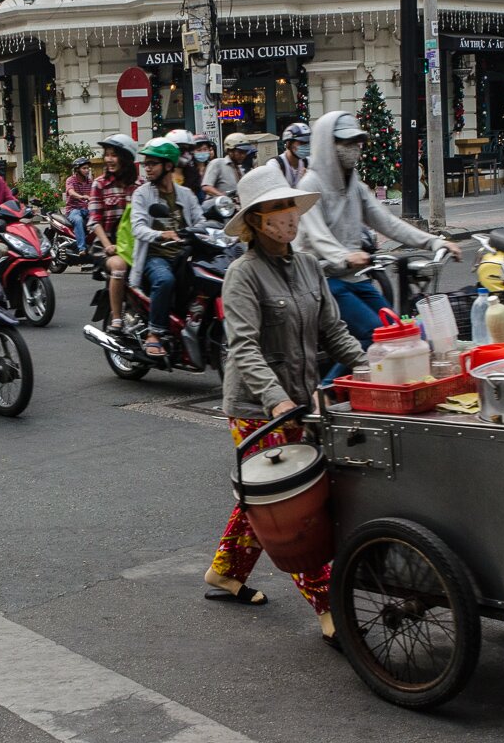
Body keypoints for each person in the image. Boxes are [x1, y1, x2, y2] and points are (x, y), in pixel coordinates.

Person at [204, 165, 366, 646]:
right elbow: (244, 347)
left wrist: (370, 367)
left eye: (289, 206)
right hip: (257, 406)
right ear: (255, 220)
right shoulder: (242, 275)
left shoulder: (310, 266)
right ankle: (327, 605)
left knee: (263, 498)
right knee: (294, 505)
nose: (287, 217)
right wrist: (275, 400)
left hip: (302, 399)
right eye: (275, 209)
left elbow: (332, 330)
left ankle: (224, 573)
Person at [295, 111, 460, 349]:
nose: (354, 149)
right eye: (346, 143)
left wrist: (435, 242)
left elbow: (388, 222)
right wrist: (344, 256)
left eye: (356, 143)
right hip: (323, 279)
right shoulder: (309, 185)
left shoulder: (356, 186)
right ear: (328, 145)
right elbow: (318, 235)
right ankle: (328, 385)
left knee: (399, 331)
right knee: (377, 338)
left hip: (356, 277)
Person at [129, 138, 203, 357]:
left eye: (153, 163)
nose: (148, 168)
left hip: (184, 254)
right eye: (146, 164)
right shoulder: (142, 193)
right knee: (165, 280)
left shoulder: (186, 194)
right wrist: (162, 234)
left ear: (168, 165)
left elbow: (200, 221)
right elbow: (138, 228)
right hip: (155, 256)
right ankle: (155, 333)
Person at [88, 133, 140, 331]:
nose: (109, 159)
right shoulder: (99, 184)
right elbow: (94, 221)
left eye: (114, 155)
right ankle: (117, 318)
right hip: (106, 244)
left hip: (135, 243)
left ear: (126, 158)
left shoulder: (140, 186)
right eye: (107, 154)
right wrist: (108, 245)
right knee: (118, 266)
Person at [203, 133, 253, 198]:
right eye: (240, 152)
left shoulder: (241, 170)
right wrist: (223, 196)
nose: (243, 155)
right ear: (230, 151)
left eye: (245, 152)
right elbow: (206, 187)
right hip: (218, 205)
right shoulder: (217, 163)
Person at [63, 156, 93, 256]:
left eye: (87, 168)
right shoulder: (70, 180)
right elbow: (71, 192)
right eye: (84, 168)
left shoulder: (90, 181)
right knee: (78, 220)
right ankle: (82, 249)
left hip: (86, 209)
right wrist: (82, 196)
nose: (87, 170)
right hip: (73, 210)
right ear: (77, 170)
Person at [270, 122, 312, 187]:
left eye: (308, 143)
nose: (306, 146)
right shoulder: (275, 165)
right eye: (302, 142)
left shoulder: (308, 163)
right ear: (288, 144)